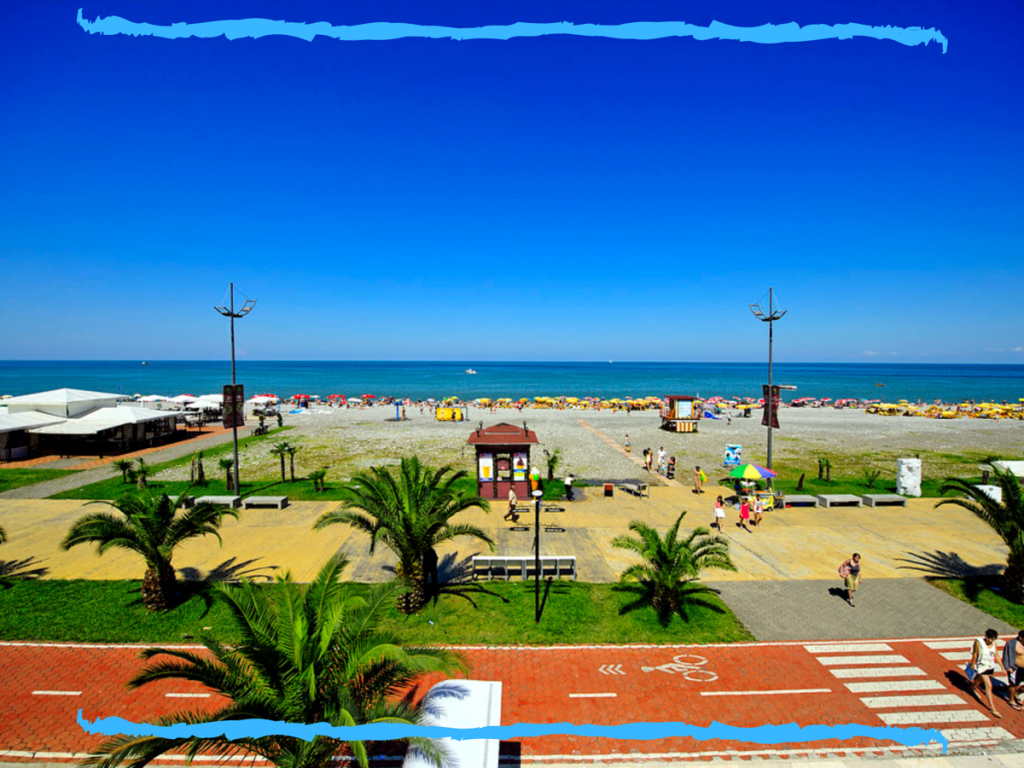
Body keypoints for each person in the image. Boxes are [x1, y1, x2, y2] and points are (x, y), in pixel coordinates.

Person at [970, 629, 1003, 718]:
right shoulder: (979, 642)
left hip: (990, 666)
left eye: (993, 639)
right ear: (986, 637)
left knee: (980, 679)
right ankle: (992, 708)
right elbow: (975, 653)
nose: (991, 641)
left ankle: (972, 687)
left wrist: (1002, 667)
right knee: (989, 685)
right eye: (989, 638)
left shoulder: (994, 643)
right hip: (982, 666)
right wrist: (972, 664)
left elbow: (996, 655)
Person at [1002, 629, 1024, 711]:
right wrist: (1007, 667)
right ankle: (1011, 700)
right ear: (1021, 638)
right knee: (1013, 685)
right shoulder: (1011, 644)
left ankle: (1017, 693)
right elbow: (1006, 656)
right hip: (1015, 669)